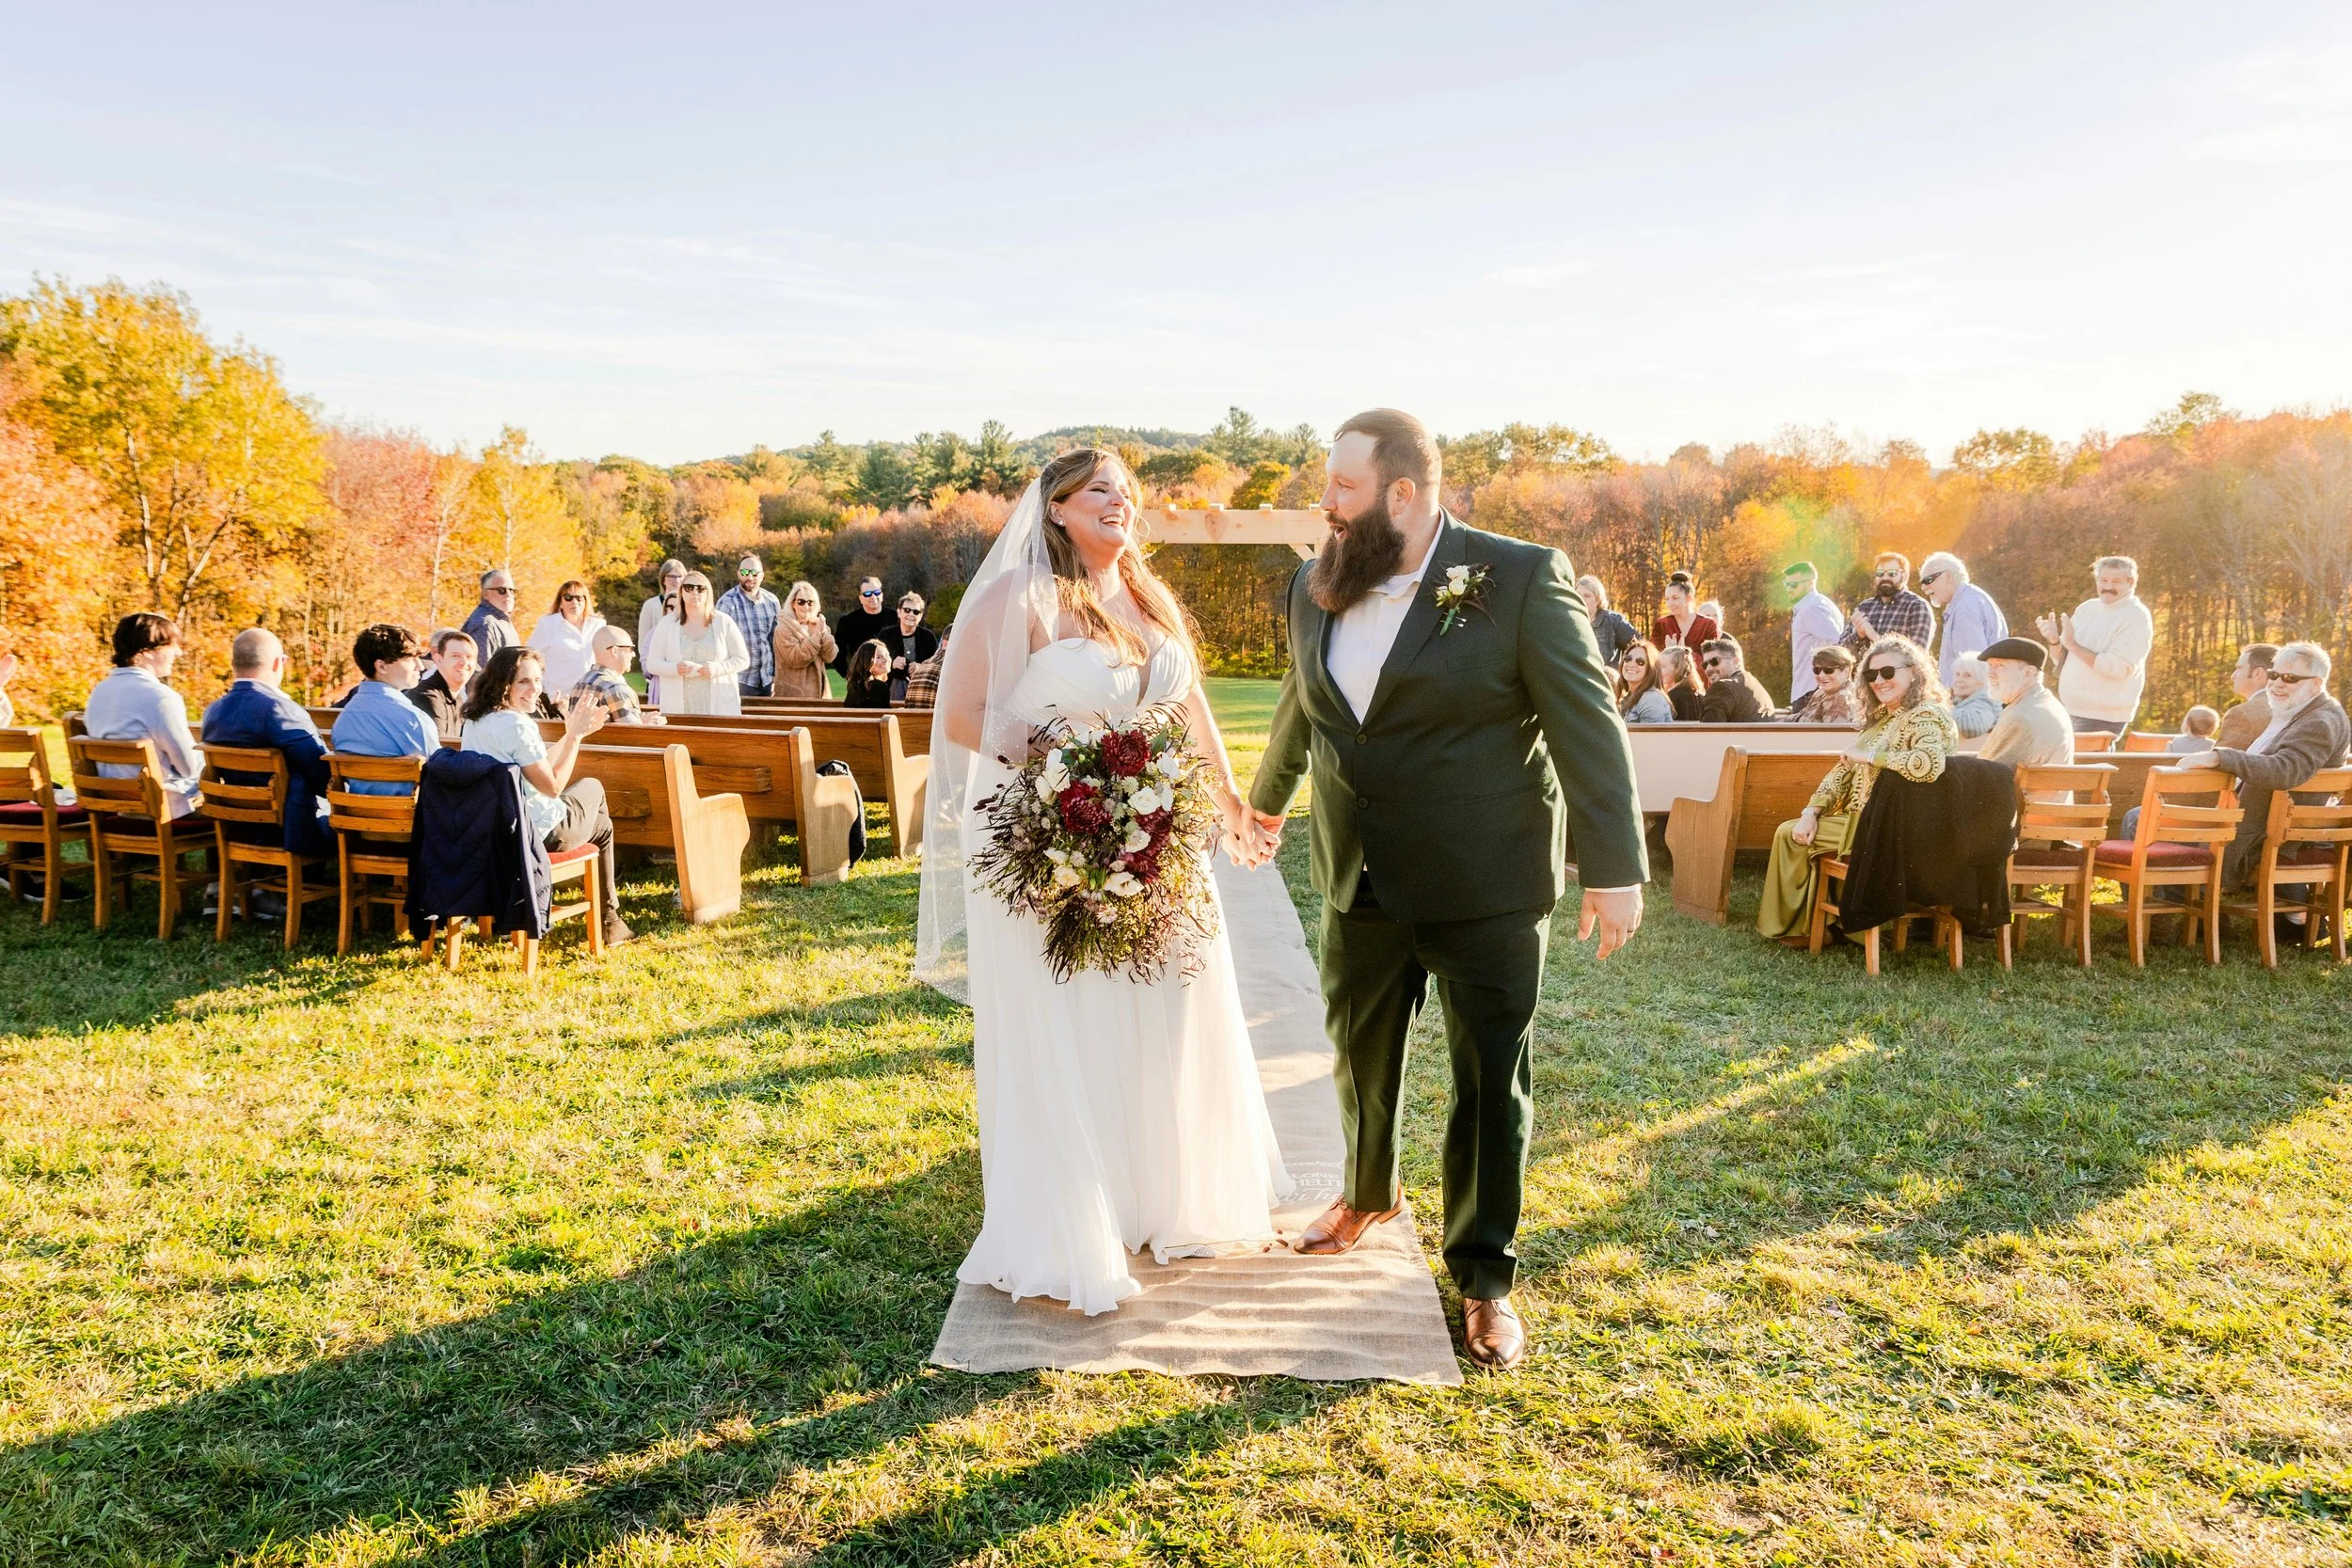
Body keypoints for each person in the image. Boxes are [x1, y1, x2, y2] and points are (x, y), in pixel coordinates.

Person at [1247, 408, 1645, 1371]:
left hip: (1484, 878)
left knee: (1484, 1082)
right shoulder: (1317, 581)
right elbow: (1308, 702)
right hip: (1359, 874)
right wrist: (1265, 804)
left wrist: (1615, 864)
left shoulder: (1514, 575)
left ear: (1403, 494)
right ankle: (1368, 1188)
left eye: (1340, 487)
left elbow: (1584, 721)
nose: (1324, 504)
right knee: (1358, 1052)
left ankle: (1483, 1276)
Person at [913, 445, 1289, 1321]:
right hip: (1053, 834)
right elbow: (961, 713)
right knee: (1074, 1010)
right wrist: (1068, 773)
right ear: (1056, 509)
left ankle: (1164, 1195)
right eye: (1097, 492)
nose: (1118, 503)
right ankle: (1079, 1209)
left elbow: (1188, 708)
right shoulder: (1023, 598)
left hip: (1160, 834)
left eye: (1125, 491)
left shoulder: (1152, 597)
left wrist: (1228, 801)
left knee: (1168, 1002)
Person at [1756, 634, 1955, 943]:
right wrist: (1811, 811)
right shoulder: (1881, 719)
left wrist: (1872, 757)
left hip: (1894, 828)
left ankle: (1812, 929)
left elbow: (1928, 763)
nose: (1879, 681)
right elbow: (1842, 770)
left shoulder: (1925, 715)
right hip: (1863, 821)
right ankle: (1829, 926)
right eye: (1871, 675)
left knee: (1787, 834)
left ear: (1913, 672)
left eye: (1888, 672)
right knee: (1796, 829)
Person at [459, 646, 629, 945]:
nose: (534, 689)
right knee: (593, 787)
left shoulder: (476, 721)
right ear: (503, 683)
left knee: (601, 826)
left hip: (494, 831)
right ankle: (609, 922)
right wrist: (575, 737)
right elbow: (552, 787)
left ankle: (612, 921)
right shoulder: (518, 725)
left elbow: (534, 769)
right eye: (524, 681)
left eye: (537, 680)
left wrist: (570, 732)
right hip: (538, 833)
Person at [2173, 642, 2351, 888]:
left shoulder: (2319, 721)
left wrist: (2221, 757)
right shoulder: (2304, 711)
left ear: (2316, 683)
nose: (2277, 683)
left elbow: (2284, 770)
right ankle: (2204, 913)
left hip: (2259, 835)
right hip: (2258, 823)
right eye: (2274, 675)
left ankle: (2183, 918)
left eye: (2289, 678)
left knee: (2136, 820)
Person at [199, 627, 333, 857]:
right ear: (278, 663)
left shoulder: (214, 711)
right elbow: (322, 773)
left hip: (236, 820)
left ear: (234, 664)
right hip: (289, 826)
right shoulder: (279, 709)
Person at [83, 613, 205, 820]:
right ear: (147, 651)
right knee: (226, 799)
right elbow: (189, 767)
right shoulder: (160, 697)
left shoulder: (98, 692)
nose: (179, 653)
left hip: (116, 804)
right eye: (171, 646)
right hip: (161, 806)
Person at [2037, 555, 2153, 735]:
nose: (2108, 587)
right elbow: (2062, 660)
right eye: (2103, 580)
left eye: (2116, 581)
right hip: (2069, 710)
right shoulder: (2086, 609)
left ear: (2131, 583)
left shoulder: (2136, 616)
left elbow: (2117, 668)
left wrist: (2074, 646)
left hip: (2102, 717)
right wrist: (2054, 640)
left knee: (2085, 763)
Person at [331, 624, 441, 795]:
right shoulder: (411, 718)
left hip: (354, 815)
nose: (420, 666)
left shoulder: (344, 719)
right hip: (409, 817)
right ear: (381, 667)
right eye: (410, 658)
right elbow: (439, 773)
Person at [644, 571, 751, 716]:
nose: (695, 592)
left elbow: (743, 659)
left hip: (719, 707)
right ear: (681, 591)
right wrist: (676, 668)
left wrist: (717, 668)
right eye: (689, 587)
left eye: (700, 588)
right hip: (679, 708)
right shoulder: (667, 624)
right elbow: (653, 664)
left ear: (708, 593)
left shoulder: (723, 621)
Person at [1976, 638, 2074, 773]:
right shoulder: (2044, 702)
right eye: (1990, 666)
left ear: (2028, 673)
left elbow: (1990, 777)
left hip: (2024, 794)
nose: (1990, 674)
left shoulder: (2021, 717)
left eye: (2000, 666)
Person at [1919, 551, 2010, 691]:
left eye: (1928, 580)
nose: (1924, 587)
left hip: (1971, 702)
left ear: (1948, 576)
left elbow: (1972, 669)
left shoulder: (1965, 607)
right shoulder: (1970, 599)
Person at [716, 554, 783, 700]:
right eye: (745, 573)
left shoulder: (772, 602)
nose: (749, 577)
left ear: (762, 576)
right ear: (739, 573)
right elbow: (719, 645)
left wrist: (775, 675)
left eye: (754, 573)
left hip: (766, 680)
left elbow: (775, 642)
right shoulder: (726, 603)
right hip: (739, 680)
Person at [1844, 551, 1935, 655]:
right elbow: (1838, 654)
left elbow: (1916, 655)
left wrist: (1873, 635)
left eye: (1892, 573)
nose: (1885, 578)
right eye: (1880, 573)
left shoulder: (1917, 607)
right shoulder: (1864, 608)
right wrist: (1858, 635)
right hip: (1862, 671)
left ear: (1905, 576)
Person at [572, 625, 662, 724]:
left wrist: (640, 719)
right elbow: (634, 735)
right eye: (630, 649)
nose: (634, 654)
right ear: (614, 651)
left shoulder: (580, 684)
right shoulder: (616, 689)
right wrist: (648, 723)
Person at [1782, 562, 1845, 705]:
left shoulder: (1812, 608)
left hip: (1810, 692)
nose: (1788, 589)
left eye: (1793, 585)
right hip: (1811, 690)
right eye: (1786, 584)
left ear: (1810, 583)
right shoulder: (1819, 604)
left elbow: (1838, 644)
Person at [527, 580, 604, 696]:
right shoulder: (547, 624)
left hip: (592, 693)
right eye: (568, 597)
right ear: (560, 602)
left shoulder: (598, 625)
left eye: (579, 598)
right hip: (559, 696)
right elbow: (530, 656)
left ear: (585, 601)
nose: (574, 602)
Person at [407, 629, 476, 743]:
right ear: (438, 659)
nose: (464, 662)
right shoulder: (426, 697)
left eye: (469, 657)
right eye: (455, 656)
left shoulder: (459, 699)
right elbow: (438, 751)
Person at [771, 580, 837, 700]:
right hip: (793, 696)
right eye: (801, 602)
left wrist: (823, 633)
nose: (806, 606)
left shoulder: (820, 625)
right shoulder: (783, 629)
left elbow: (830, 656)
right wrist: (816, 636)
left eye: (810, 602)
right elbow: (797, 658)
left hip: (821, 695)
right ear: (793, 604)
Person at [638, 559, 687, 707]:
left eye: (679, 576)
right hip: (657, 674)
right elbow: (643, 642)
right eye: (671, 576)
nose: (676, 580)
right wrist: (651, 670)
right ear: (663, 579)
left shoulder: (688, 605)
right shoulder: (651, 605)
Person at [1696, 636, 1775, 721]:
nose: (1708, 669)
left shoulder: (1721, 688)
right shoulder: (1755, 685)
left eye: (1714, 661)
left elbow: (1706, 733)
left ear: (1736, 661)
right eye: (1705, 665)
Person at [2215, 643, 2278, 750]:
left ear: (2257, 673)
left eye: (2239, 669)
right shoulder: (2295, 707)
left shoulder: (2241, 714)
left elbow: (2219, 761)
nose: (2233, 676)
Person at [882, 592, 941, 704]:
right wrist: (891, 663)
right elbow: (873, 664)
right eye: (907, 610)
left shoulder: (928, 637)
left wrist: (921, 668)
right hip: (889, 690)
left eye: (916, 612)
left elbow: (937, 665)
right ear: (899, 612)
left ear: (921, 616)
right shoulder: (885, 636)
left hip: (921, 690)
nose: (911, 614)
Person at [832, 576, 892, 677]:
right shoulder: (847, 621)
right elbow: (837, 654)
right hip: (862, 681)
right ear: (860, 598)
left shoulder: (895, 617)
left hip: (893, 682)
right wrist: (849, 676)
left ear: (882, 594)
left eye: (876, 592)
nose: (873, 597)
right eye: (867, 594)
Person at [1787, 646, 1862, 724]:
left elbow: (1832, 735)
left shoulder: (1840, 701)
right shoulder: (1821, 692)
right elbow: (1799, 718)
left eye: (1828, 670)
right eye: (1817, 670)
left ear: (1847, 670)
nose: (1821, 675)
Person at [461, 568, 520, 666]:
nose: (508, 595)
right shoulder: (484, 625)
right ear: (485, 594)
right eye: (501, 590)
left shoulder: (500, 620)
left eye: (512, 590)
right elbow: (481, 672)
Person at [1577, 575, 1639, 666]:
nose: (1581, 599)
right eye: (1578, 595)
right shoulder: (1569, 621)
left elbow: (1640, 647)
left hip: (1607, 678)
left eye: (1587, 596)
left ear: (1598, 599)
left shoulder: (1614, 621)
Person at [1651, 571, 1717, 649]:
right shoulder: (1662, 624)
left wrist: (1681, 652)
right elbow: (1653, 656)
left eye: (1675, 598)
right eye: (1667, 599)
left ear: (1689, 598)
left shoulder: (1708, 624)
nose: (1670, 603)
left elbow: (1712, 657)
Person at [1616, 640, 1675, 723]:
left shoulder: (1651, 699)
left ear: (1651, 669)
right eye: (1628, 659)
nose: (1631, 664)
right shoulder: (1629, 697)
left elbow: (1650, 736)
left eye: (1640, 662)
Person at [1947, 654, 2001, 737]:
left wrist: (1937, 711)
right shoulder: (1959, 701)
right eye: (1957, 674)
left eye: (1968, 675)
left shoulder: (1985, 701)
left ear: (1983, 680)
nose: (1959, 679)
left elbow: (1970, 726)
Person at [1657, 643, 1706, 721]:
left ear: (1678, 668)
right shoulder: (1700, 695)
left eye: (1663, 666)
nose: (1658, 671)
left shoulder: (1673, 696)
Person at [903, 625, 947, 709]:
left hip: (911, 721)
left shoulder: (923, 666)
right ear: (945, 644)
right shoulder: (948, 668)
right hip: (934, 721)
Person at [842, 640, 893, 707]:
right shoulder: (878, 687)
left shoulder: (854, 686)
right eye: (878, 657)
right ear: (866, 662)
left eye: (887, 655)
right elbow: (883, 714)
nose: (886, 660)